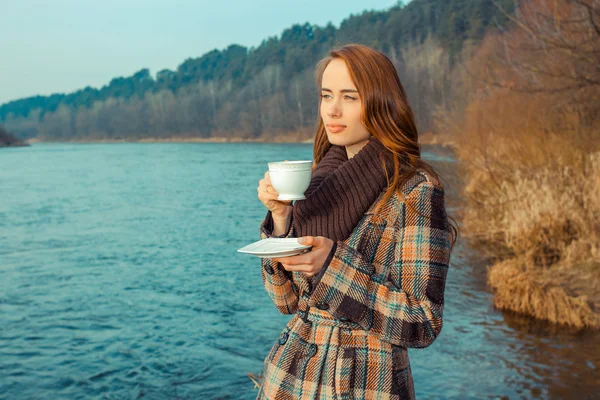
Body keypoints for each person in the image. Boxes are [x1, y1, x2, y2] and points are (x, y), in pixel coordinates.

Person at [255, 44, 457, 400]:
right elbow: (285, 302)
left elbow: (423, 322)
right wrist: (281, 217)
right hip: (289, 382)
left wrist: (331, 266)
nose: (332, 109)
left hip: (363, 386)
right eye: (326, 95)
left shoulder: (416, 190)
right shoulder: (317, 183)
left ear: (380, 102)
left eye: (349, 97)